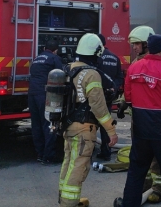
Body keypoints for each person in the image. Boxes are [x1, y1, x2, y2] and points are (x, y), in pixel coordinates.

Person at [118, 34, 161, 207]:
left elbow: (129, 97)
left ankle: (128, 204)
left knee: (136, 172)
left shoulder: (134, 68)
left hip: (141, 130)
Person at [58, 33, 118, 207]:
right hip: (84, 128)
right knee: (79, 166)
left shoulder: (68, 68)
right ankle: (69, 203)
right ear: (96, 53)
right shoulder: (91, 74)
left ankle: (64, 199)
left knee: (68, 162)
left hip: (68, 125)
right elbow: (99, 108)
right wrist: (111, 131)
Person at [120, 25, 161, 204]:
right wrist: (124, 102)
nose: (134, 47)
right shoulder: (135, 63)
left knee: (156, 154)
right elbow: (130, 87)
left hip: (155, 118)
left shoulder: (159, 63)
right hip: (139, 118)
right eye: (133, 44)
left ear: (147, 44)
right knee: (141, 153)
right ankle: (145, 184)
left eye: (137, 44)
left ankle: (159, 188)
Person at [29, 39, 63, 164]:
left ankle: (40, 154)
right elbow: (61, 75)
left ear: (44, 48)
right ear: (56, 50)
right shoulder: (54, 58)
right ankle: (49, 156)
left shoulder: (36, 59)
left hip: (32, 94)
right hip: (45, 95)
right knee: (49, 124)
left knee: (36, 125)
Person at [96, 33, 124, 161]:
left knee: (89, 124)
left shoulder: (95, 57)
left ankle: (86, 152)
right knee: (106, 124)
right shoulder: (114, 57)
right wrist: (114, 87)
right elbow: (120, 77)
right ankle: (106, 152)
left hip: (95, 96)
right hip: (108, 95)